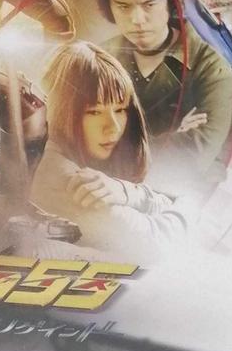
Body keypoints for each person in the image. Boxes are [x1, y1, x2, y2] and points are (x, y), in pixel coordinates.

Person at [29, 42, 186, 260]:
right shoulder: (67, 179)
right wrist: (189, 206)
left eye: (120, 109)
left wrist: (126, 192)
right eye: (94, 112)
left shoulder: (70, 161)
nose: (113, 127)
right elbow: (160, 245)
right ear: (60, 112)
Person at [95, 0, 232, 177]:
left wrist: (114, 146)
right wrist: (173, 136)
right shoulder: (98, 59)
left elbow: (190, 160)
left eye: (149, 5)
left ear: (170, 2)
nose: (137, 19)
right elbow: (77, 146)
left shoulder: (211, 68)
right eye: (123, 6)